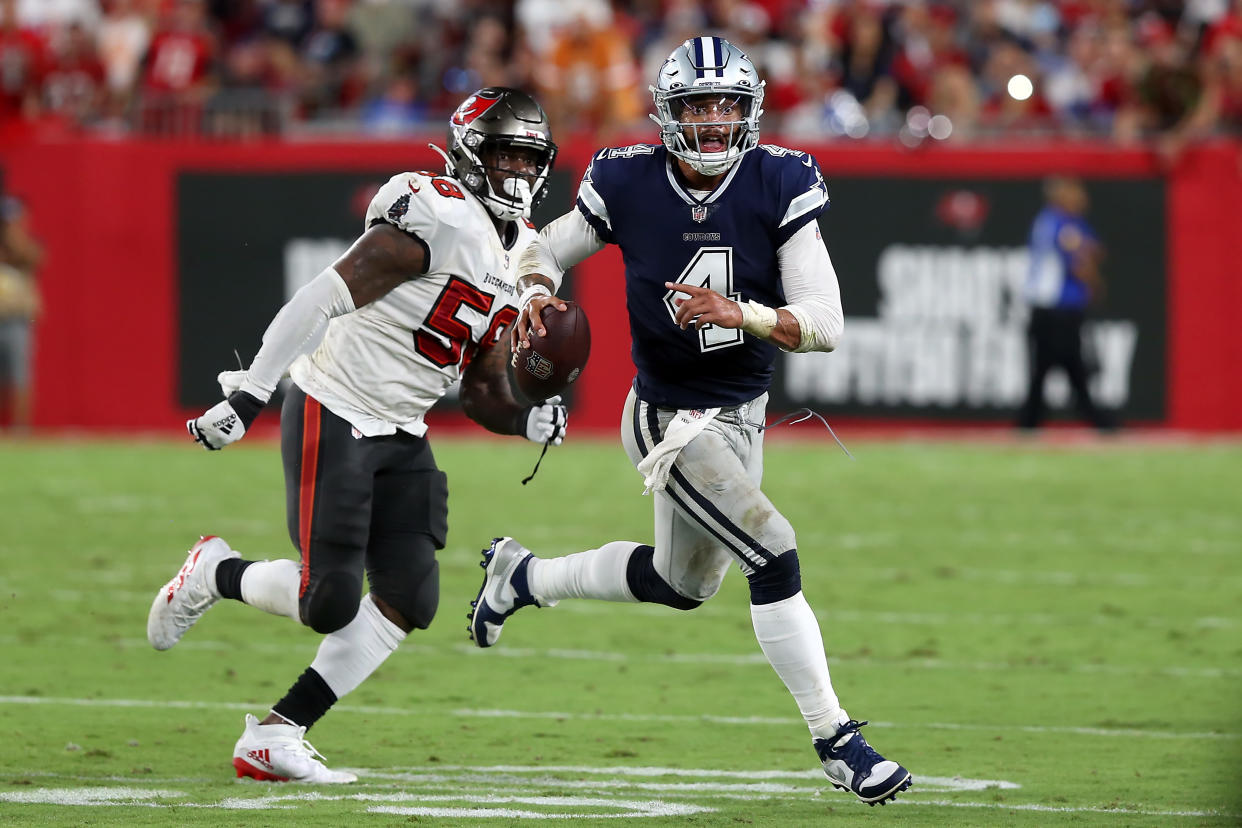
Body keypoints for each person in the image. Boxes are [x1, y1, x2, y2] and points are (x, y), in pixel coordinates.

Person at [469, 37, 912, 806]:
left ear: (750, 110)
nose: (712, 122)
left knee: (682, 585)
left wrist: (739, 313)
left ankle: (522, 577)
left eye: (726, 105)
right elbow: (544, 246)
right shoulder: (626, 178)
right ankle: (839, 741)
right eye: (697, 106)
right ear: (667, 113)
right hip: (668, 417)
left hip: (743, 413)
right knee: (773, 551)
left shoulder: (781, 178)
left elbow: (827, 322)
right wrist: (535, 287)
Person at [147, 87, 566, 784]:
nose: (518, 170)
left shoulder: (526, 257)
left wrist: (525, 414)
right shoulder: (436, 214)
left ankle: (278, 734)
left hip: (404, 427)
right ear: (469, 154)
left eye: (529, 155)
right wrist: (250, 395)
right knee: (327, 602)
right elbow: (320, 296)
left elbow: (483, 388)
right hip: (334, 406)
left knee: (411, 596)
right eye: (503, 152)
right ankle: (214, 573)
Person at [1016, 176, 1115, 432]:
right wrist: (1095, 284)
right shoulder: (1062, 224)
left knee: (1053, 367)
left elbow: (1095, 248)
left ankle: (1032, 421)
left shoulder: (1053, 221)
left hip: (1050, 309)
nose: (1083, 198)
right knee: (1066, 366)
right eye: (1076, 192)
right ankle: (1094, 419)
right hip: (1056, 309)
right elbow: (1080, 260)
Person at [0, 194, 42, 432]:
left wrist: (14, 235)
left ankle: (21, 428)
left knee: (20, 376)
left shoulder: (28, 245)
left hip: (17, 321)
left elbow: (31, 257)